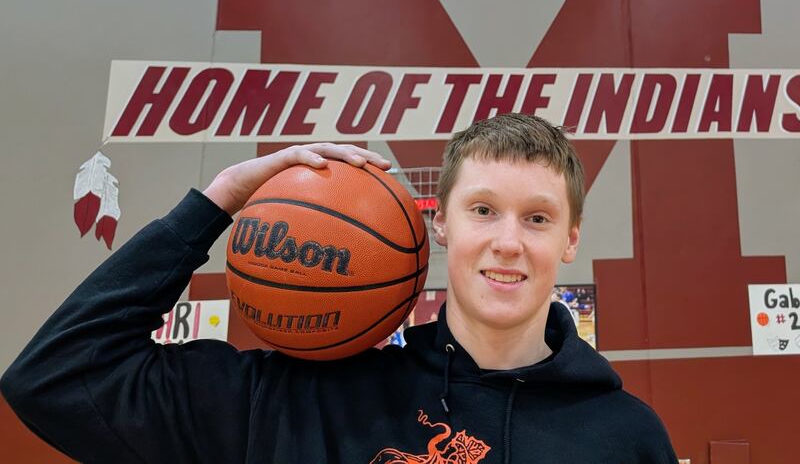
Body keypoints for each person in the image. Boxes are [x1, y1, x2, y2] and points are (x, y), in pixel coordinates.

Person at [1, 115, 677, 463]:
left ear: (570, 240)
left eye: (537, 218)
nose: (507, 242)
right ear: (439, 225)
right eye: (482, 210)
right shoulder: (303, 396)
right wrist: (218, 200)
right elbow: (53, 378)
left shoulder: (624, 435)